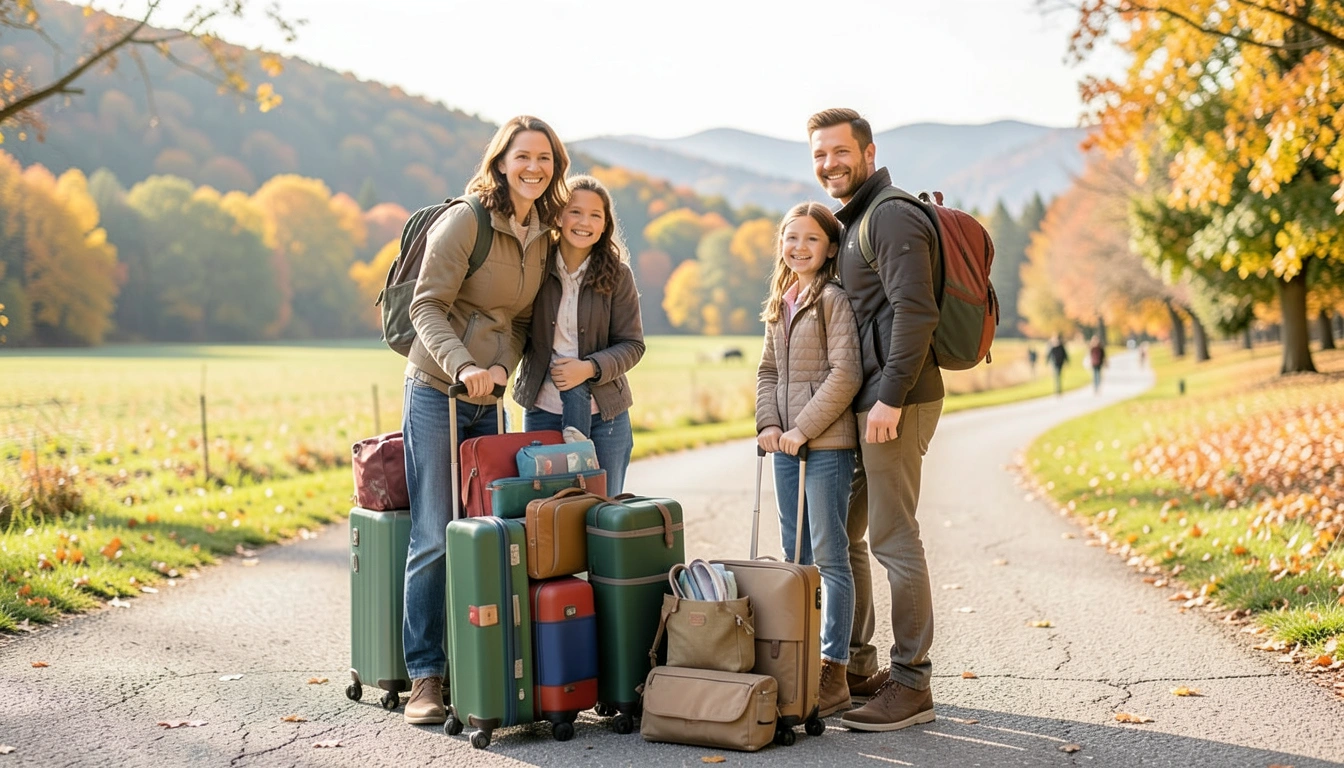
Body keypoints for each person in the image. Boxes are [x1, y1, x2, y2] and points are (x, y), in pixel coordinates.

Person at [400, 115, 570, 725]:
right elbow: (427, 304)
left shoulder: (543, 232)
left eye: (545, 160)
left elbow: (521, 320)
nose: (534, 168)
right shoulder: (467, 220)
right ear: (501, 161)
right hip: (436, 389)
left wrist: (502, 371)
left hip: (488, 396)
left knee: (483, 532)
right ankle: (425, 675)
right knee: (434, 531)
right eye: (523, 157)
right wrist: (465, 364)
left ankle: (477, 659)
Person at [806, 108, 944, 732]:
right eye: (819, 154)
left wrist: (888, 398)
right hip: (869, 406)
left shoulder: (888, 214)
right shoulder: (856, 218)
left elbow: (916, 314)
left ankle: (912, 682)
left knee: (893, 536)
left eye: (839, 151)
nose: (829, 163)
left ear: (867, 151)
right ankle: (858, 668)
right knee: (848, 532)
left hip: (900, 401)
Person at [755, 201, 862, 719]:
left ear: (830, 248)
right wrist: (770, 426)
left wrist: (802, 429)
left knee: (829, 556)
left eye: (811, 239)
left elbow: (846, 374)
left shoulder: (833, 301)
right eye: (790, 238)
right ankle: (795, 657)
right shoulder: (782, 301)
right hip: (785, 446)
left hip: (826, 446)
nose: (798, 247)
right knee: (793, 555)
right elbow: (767, 372)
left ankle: (834, 669)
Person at [514, 175, 645, 495]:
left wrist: (588, 368)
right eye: (575, 211)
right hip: (543, 410)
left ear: (604, 225)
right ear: (558, 215)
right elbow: (515, 326)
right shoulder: (535, 266)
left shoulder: (618, 274)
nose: (584, 222)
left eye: (595, 215)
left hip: (606, 417)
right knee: (546, 512)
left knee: (603, 511)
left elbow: (632, 345)